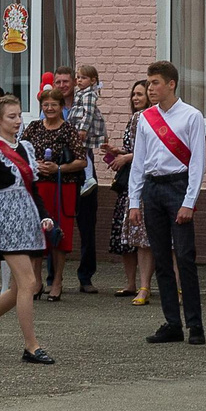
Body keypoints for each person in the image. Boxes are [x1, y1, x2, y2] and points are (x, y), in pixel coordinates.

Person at [0, 94, 53, 364]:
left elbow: (33, 189)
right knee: (30, 283)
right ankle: (31, 346)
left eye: (19, 115)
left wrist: (44, 216)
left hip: (26, 220)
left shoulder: (25, 148)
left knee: (20, 288)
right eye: (11, 116)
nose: (17, 121)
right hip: (4, 221)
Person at [127, 60, 206, 346]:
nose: (150, 88)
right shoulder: (146, 118)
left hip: (178, 186)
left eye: (155, 83)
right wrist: (134, 201)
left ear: (171, 84)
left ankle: (195, 325)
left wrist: (189, 201)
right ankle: (172, 323)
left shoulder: (192, 116)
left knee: (184, 256)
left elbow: (197, 162)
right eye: (148, 83)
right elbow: (139, 161)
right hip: (152, 188)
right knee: (160, 257)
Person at [25, 81, 88, 302]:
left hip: (63, 189)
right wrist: (35, 165)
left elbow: (82, 161)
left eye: (54, 105)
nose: (49, 108)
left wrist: (58, 168)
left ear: (61, 107)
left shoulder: (69, 130)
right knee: (37, 234)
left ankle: (57, 281)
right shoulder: (33, 127)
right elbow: (20, 154)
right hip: (38, 188)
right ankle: (36, 281)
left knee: (60, 234)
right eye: (46, 105)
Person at [107, 79, 150, 305]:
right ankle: (131, 283)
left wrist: (126, 158)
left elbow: (148, 151)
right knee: (125, 236)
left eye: (140, 94)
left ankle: (144, 285)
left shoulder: (149, 118)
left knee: (141, 236)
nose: (135, 98)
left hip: (143, 182)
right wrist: (118, 152)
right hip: (128, 185)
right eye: (133, 94)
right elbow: (133, 149)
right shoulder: (134, 118)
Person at [65, 64, 107, 292]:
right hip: (65, 169)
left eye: (80, 78)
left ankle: (86, 276)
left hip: (83, 140)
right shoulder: (77, 97)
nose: (77, 81)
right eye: (77, 78)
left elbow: (89, 113)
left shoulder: (87, 96)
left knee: (87, 225)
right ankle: (53, 278)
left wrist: (81, 130)